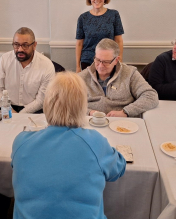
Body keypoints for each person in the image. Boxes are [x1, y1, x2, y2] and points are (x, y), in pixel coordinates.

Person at [11, 71, 126, 219]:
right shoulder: (95, 143)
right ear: (82, 107)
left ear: (47, 103)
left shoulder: (21, 141)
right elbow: (118, 170)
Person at [78, 38, 159, 117]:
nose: (100, 66)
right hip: (91, 121)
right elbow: (68, 103)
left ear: (116, 60)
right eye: (98, 60)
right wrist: (89, 112)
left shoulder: (130, 73)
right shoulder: (81, 77)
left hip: (123, 123)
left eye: (106, 62)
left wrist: (126, 112)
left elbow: (151, 96)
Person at [0, 27, 55, 113]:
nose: (20, 49)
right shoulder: (4, 59)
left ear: (34, 45)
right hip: (8, 106)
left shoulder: (47, 65)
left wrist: (20, 115)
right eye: (16, 45)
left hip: (35, 109)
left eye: (25, 45)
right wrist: (10, 110)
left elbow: (41, 100)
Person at [76, 0, 124, 72]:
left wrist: (119, 60)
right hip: (88, 61)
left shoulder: (114, 15)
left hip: (108, 60)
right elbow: (79, 43)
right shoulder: (83, 18)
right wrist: (77, 66)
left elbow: (119, 40)